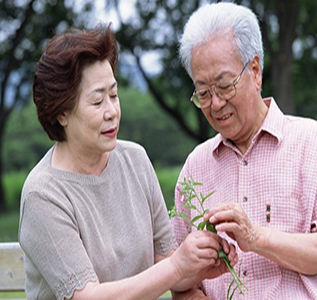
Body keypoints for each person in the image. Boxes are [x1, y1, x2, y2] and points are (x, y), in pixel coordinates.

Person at [18, 24, 238, 300]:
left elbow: (165, 261)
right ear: (61, 113)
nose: (112, 112)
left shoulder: (135, 160)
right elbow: (88, 297)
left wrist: (203, 262)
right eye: (98, 102)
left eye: (114, 95)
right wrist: (176, 266)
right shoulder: (43, 194)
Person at [172, 3, 317, 299]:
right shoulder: (195, 167)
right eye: (203, 93)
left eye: (224, 86)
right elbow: (181, 281)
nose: (215, 104)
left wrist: (256, 238)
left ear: (255, 71)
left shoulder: (313, 143)